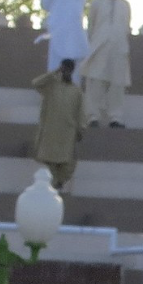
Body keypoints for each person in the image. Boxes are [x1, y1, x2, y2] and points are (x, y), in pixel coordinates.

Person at [83, 0, 132, 128]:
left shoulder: (124, 5)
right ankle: (92, 116)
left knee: (117, 84)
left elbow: (126, 27)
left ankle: (115, 117)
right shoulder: (97, 3)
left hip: (118, 47)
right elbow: (91, 26)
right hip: (99, 46)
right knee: (96, 82)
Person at [33, 59, 88, 190]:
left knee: (67, 163)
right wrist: (56, 71)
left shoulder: (76, 91)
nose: (67, 72)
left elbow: (80, 112)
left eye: (69, 70)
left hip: (68, 133)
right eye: (65, 69)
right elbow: (35, 83)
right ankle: (53, 187)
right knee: (50, 161)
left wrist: (81, 129)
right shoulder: (51, 86)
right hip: (50, 131)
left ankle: (59, 182)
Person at [39, 0, 90, 71]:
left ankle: (72, 87)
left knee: (76, 56)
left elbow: (82, 0)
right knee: (57, 56)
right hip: (59, 25)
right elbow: (45, 2)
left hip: (75, 25)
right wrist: (58, 13)